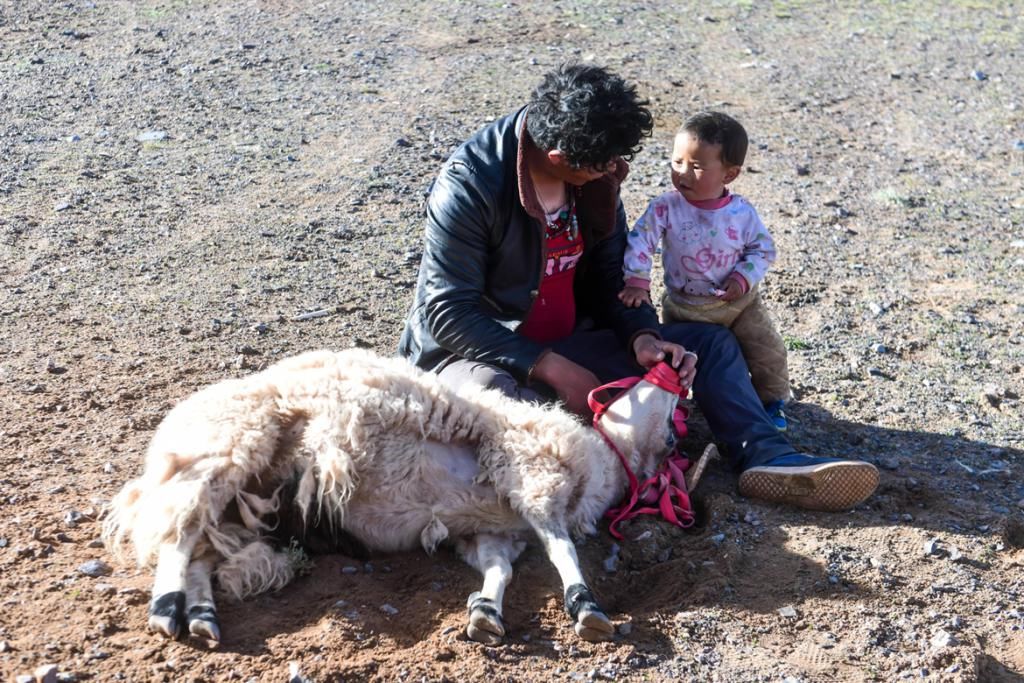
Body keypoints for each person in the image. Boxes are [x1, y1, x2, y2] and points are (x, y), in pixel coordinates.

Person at [398, 64, 878, 512]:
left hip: (573, 340)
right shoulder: (471, 184)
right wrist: (554, 368)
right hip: (480, 356)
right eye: (603, 164)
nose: (615, 171)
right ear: (559, 158)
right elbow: (449, 313)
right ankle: (582, 480)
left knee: (708, 344)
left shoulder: (594, 174)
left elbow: (612, 275)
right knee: (491, 398)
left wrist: (642, 337)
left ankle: (766, 457)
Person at [619, 111, 791, 431]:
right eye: (677, 161)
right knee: (681, 362)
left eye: (697, 166)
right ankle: (678, 406)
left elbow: (763, 248)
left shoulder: (741, 212)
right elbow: (640, 241)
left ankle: (770, 402)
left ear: (730, 174)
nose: (683, 173)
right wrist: (637, 281)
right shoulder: (665, 207)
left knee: (767, 351)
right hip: (685, 307)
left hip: (739, 304)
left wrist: (742, 278)